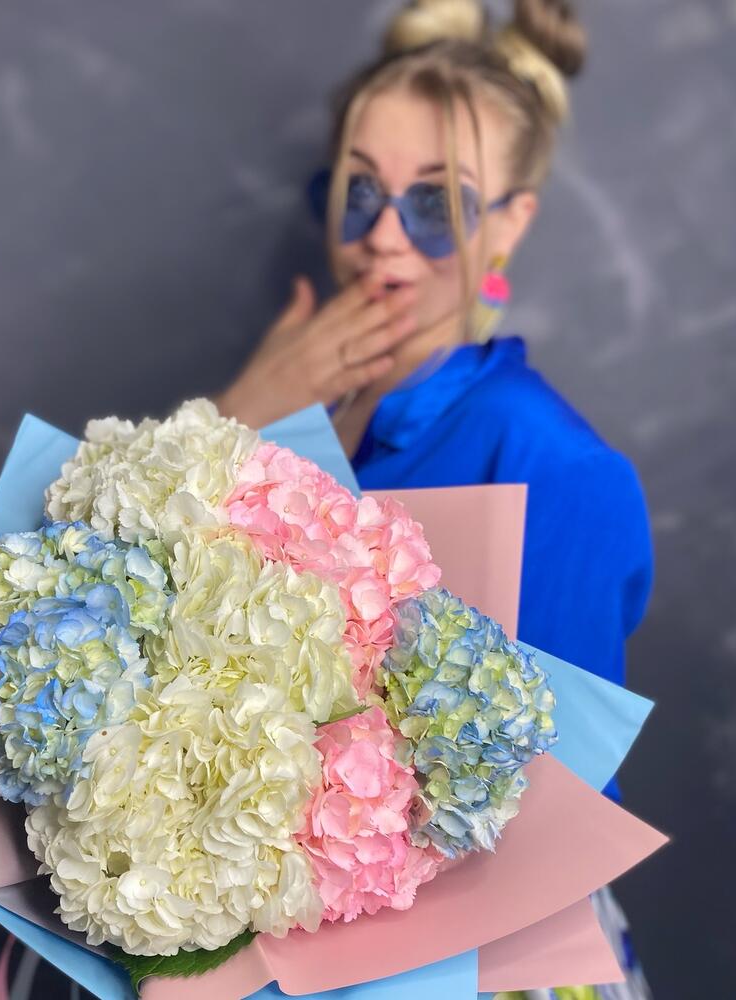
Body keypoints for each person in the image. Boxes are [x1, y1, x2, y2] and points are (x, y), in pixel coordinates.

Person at [214, 2, 654, 997]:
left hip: (480, 965)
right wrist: (240, 414)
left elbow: (554, 813)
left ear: (511, 222)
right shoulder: (300, 397)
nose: (381, 238)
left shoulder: (551, 464)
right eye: (362, 192)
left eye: (434, 203)